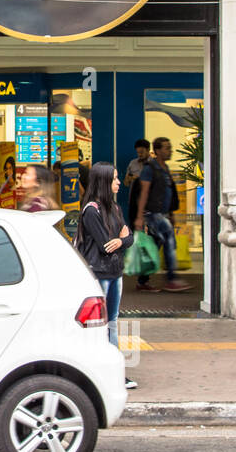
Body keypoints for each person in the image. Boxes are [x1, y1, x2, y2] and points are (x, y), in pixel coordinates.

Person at [73, 162, 136, 388]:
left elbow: (128, 239)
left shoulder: (115, 209)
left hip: (115, 273)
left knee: (112, 322)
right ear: (103, 182)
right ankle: (101, 373)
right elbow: (104, 245)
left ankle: (114, 372)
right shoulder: (91, 210)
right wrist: (120, 238)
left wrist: (121, 239)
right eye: (114, 179)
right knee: (99, 325)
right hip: (99, 274)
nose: (119, 182)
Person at [133, 137, 188, 293]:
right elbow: (143, 193)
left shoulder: (165, 169)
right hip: (153, 214)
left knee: (155, 246)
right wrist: (139, 216)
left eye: (169, 148)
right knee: (169, 238)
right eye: (166, 148)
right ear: (157, 151)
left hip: (162, 213)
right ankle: (171, 279)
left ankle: (143, 280)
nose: (169, 151)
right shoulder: (150, 168)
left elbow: (167, 193)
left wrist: (170, 213)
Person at [124, 139, 151, 224]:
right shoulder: (133, 163)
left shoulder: (154, 164)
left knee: (150, 230)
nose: (140, 155)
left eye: (142, 152)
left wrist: (140, 178)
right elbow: (125, 183)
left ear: (148, 150)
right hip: (134, 202)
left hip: (149, 203)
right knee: (134, 227)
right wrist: (129, 179)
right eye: (138, 152)